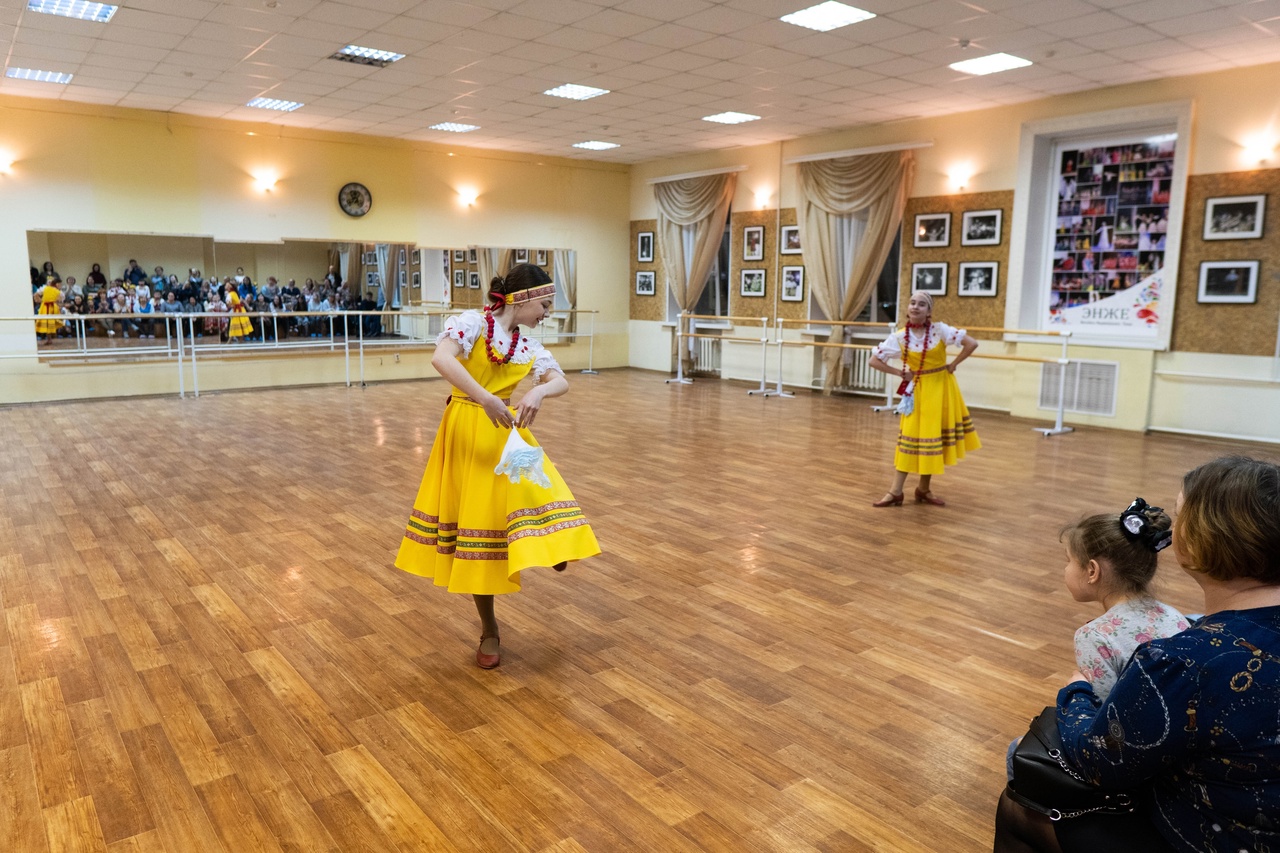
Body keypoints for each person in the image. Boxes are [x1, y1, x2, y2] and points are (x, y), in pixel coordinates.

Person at [995, 455, 1280, 853]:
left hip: (1221, 837)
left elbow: (1100, 760)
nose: (1170, 530)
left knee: (1016, 807)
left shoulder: (1178, 661)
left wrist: (1075, 693)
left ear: (1203, 540)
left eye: (1179, 516)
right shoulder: (1189, 627)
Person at [394, 263, 600, 670]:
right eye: (544, 305)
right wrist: (485, 398)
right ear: (522, 299)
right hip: (468, 433)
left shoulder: (528, 345)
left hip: (506, 431)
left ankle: (549, 545)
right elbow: (441, 358)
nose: (547, 314)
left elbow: (561, 380)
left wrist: (539, 392)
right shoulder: (472, 324)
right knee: (480, 533)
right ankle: (489, 630)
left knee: (542, 486)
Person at [867, 291, 980, 507]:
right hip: (917, 391)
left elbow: (971, 343)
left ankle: (924, 489)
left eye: (921, 304)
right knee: (909, 437)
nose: (915, 307)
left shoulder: (940, 330)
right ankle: (895, 491)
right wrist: (899, 373)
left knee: (932, 437)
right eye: (912, 303)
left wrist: (953, 364)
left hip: (940, 389)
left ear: (929, 311)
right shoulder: (900, 337)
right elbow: (874, 361)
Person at [35, 277, 63, 344]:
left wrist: (41, 301)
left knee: (50, 322)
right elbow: (36, 295)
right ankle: (49, 338)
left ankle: (51, 338)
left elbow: (59, 300)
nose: (60, 285)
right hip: (47, 307)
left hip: (49, 307)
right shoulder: (46, 288)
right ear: (57, 284)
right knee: (47, 322)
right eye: (59, 284)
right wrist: (41, 301)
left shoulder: (57, 291)